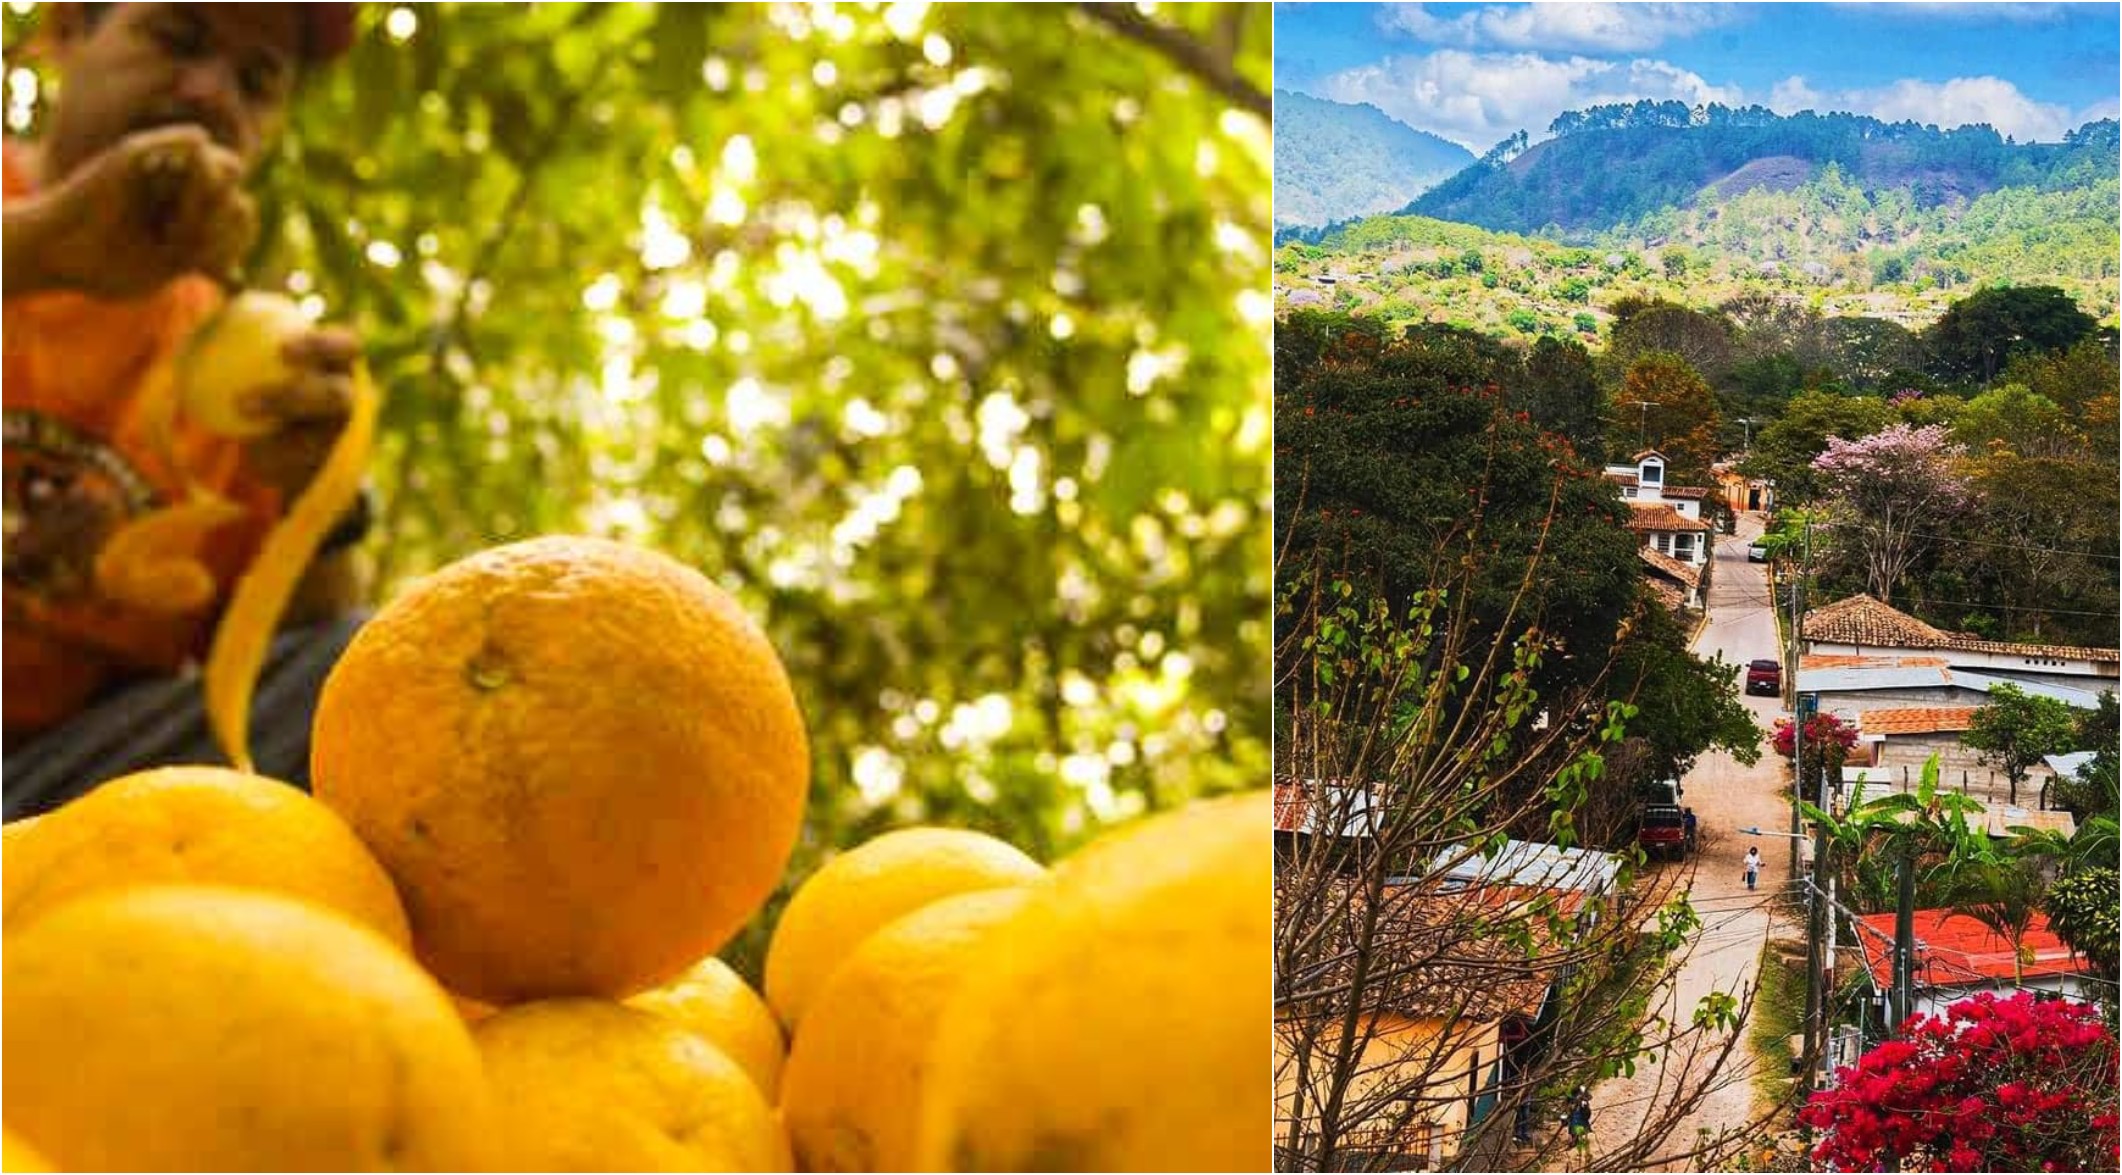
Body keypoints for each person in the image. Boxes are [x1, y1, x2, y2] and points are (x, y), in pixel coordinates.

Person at [4, 4, 366, 820]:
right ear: (67, 34)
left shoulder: (233, 357)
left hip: (41, 808)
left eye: (255, 82)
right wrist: (34, 248)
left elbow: (305, 657)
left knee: (351, 668)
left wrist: (325, 498)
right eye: (177, 38)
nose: (209, 94)